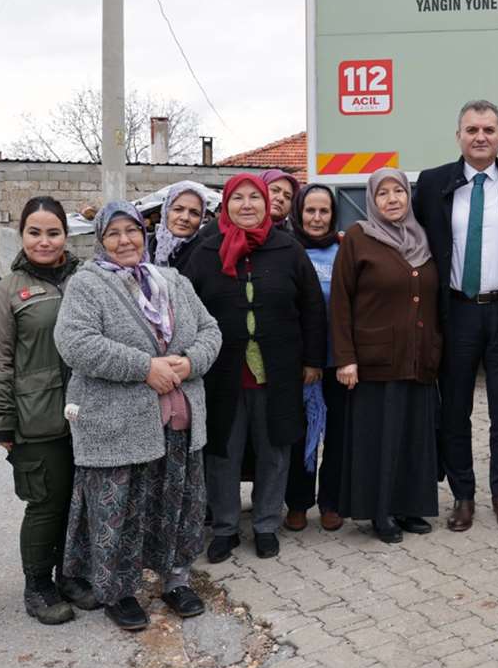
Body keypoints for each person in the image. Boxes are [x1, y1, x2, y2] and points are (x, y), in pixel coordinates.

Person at [55, 202, 222, 631]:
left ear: (145, 234)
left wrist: (188, 363)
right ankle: (118, 592)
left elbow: (210, 331)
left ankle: (176, 579)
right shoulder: (86, 285)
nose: (125, 240)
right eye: (113, 233)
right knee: (118, 510)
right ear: (100, 240)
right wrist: (145, 367)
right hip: (117, 424)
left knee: (178, 504)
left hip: (178, 418)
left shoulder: (172, 280)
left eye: (132, 230)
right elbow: (76, 343)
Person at [413, 99, 498, 532]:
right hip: (456, 311)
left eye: (489, 130)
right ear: (459, 136)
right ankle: (464, 496)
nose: (480, 137)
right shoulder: (433, 184)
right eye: (472, 130)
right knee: (455, 410)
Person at [183, 175, 325, 562]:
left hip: (278, 372)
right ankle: (226, 528)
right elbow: (187, 313)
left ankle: (265, 525)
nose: (247, 205)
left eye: (254, 198)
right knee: (223, 451)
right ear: (226, 205)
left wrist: (313, 360)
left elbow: (312, 307)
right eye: (238, 198)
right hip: (221, 374)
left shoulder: (289, 249)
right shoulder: (205, 252)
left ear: (267, 204)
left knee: (274, 449)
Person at [0, 196, 96, 625]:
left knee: (79, 501)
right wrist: (2, 421)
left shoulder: (86, 280)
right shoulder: (5, 292)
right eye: (35, 232)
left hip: (88, 414)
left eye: (53, 232)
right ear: (21, 234)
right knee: (46, 503)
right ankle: (38, 585)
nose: (44, 241)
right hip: (37, 418)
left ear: (66, 235)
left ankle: (70, 575)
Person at [331, 168, 443, 542]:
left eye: (399, 191)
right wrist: (345, 358)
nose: (393, 199)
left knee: (414, 435)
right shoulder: (358, 239)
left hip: (418, 358)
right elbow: (341, 303)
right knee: (379, 438)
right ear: (372, 200)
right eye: (384, 193)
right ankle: (380, 512)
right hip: (374, 360)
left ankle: (411, 507)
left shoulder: (423, 238)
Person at [284, 183, 348, 533]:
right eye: (311, 210)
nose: (317, 218)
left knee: (336, 435)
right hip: (300, 362)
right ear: (299, 212)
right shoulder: (286, 249)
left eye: (324, 211)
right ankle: (297, 502)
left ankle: (331, 502)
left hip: (337, 360)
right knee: (299, 434)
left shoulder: (344, 250)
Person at [150, 181, 210, 272]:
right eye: (178, 209)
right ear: (166, 211)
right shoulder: (146, 245)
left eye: (194, 213)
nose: (185, 218)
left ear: (202, 218)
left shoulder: (207, 251)